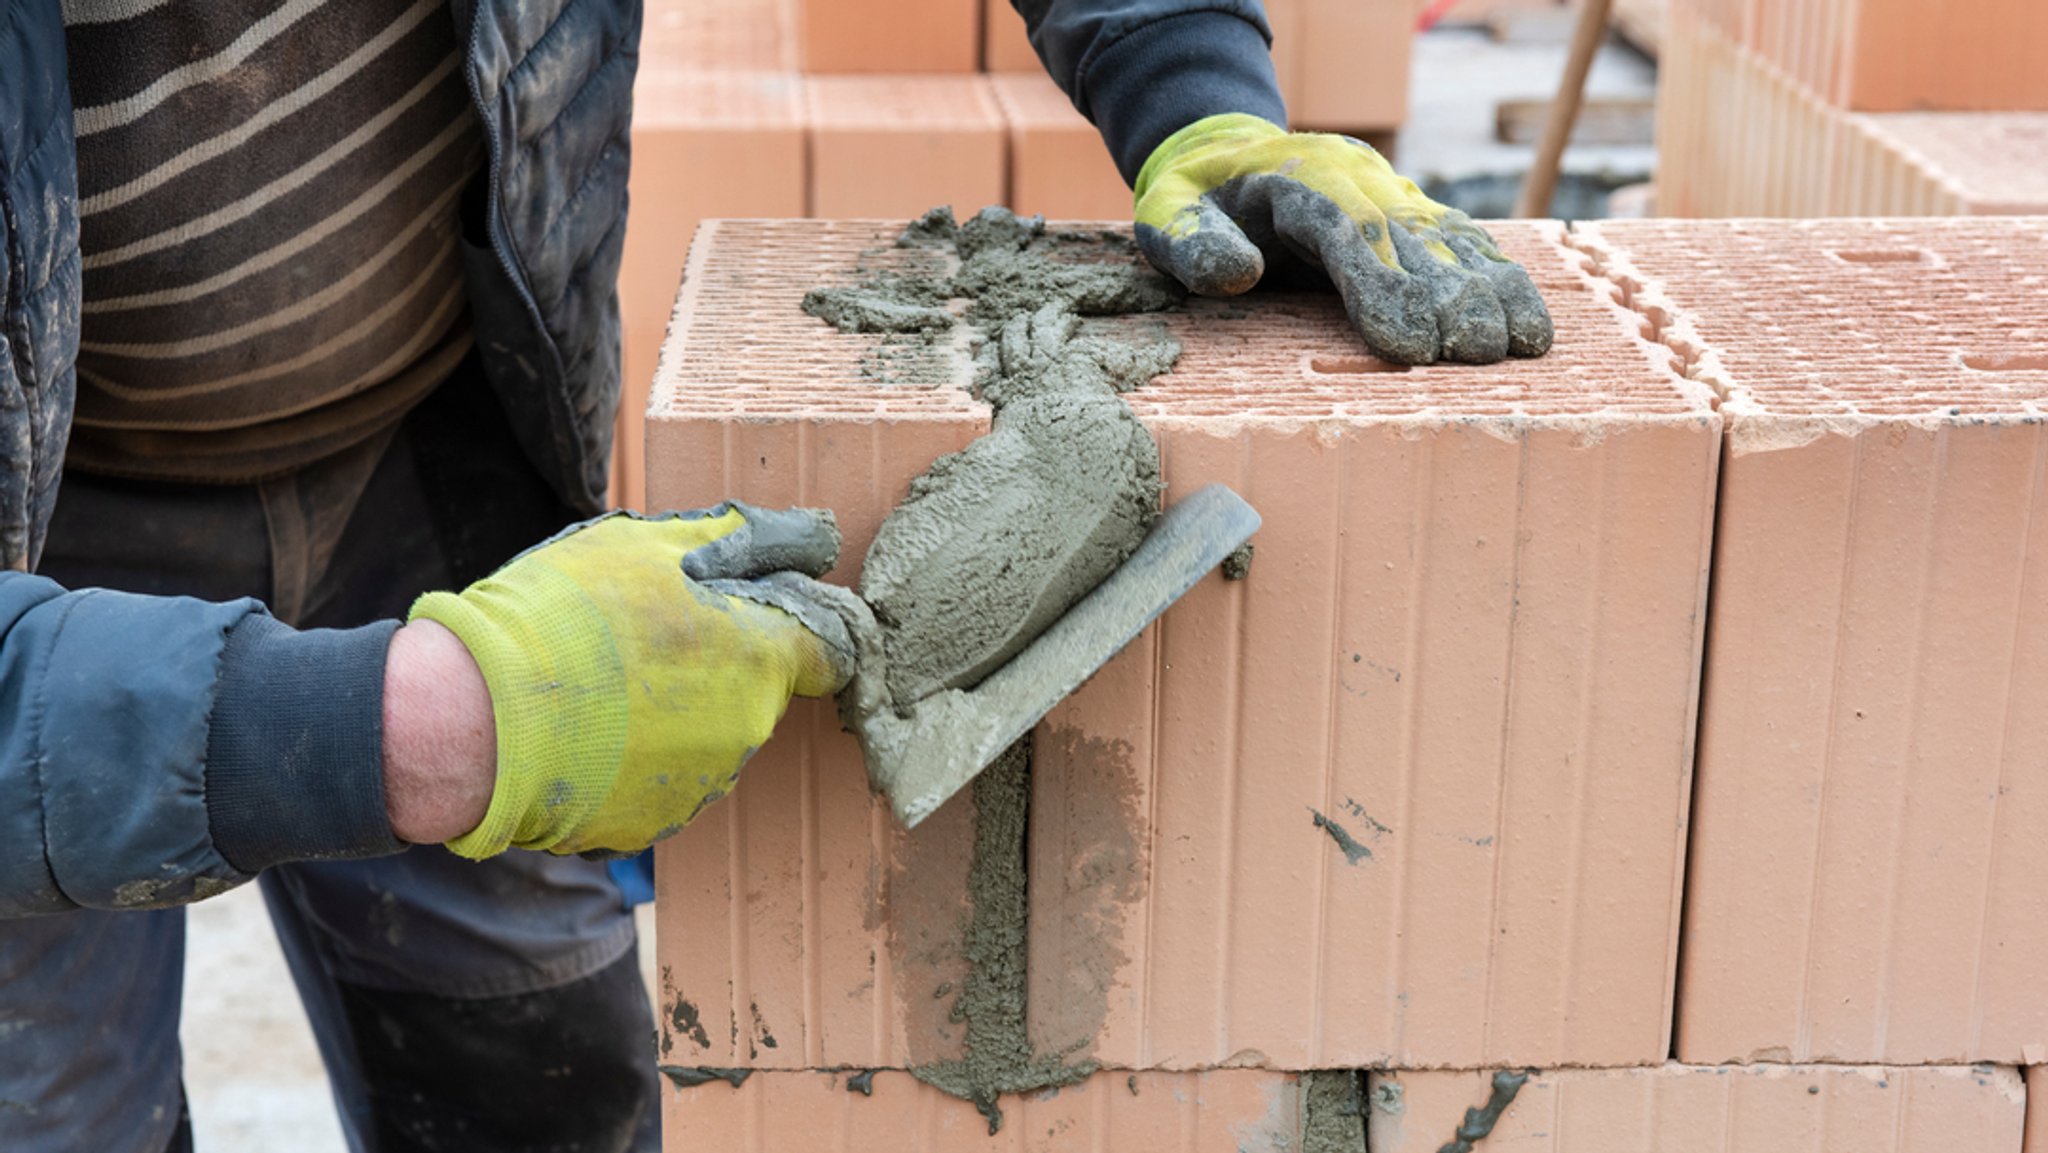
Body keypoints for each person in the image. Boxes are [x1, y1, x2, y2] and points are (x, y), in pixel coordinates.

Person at [0, 1, 1552, 1150]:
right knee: (52, 1110)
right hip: (42, 556)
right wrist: (414, 723)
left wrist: (1190, 85)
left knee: (542, 1081)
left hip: (433, 453)